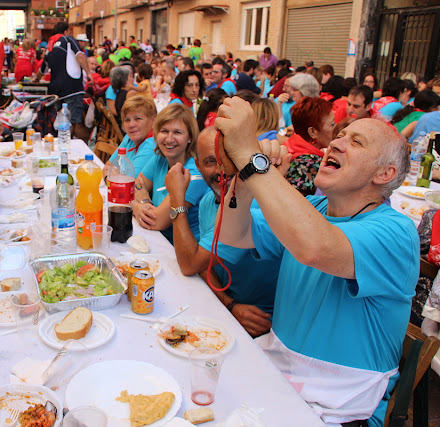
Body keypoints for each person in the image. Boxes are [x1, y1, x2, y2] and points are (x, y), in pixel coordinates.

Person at [214, 97, 417, 426]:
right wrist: (246, 176)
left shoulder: (396, 232)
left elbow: (316, 248)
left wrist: (252, 158)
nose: (337, 142)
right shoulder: (313, 211)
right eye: (340, 135)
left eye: (356, 141)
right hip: (276, 382)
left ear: (385, 173)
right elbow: (232, 234)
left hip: (339, 410)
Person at [164, 126, 278, 336]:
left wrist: (177, 198)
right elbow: (204, 266)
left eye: (228, 159)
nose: (220, 169)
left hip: (264, 325)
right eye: (210, 161)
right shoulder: (209, 200)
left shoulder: (250, 206)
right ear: (197, 165)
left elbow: (190, 263)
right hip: (228, 311)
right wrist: (229, 304)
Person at [132, 103, 210, 243]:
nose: (169, 139)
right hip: (158, 240)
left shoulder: (193, 174)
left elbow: (155, 222)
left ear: (190, 137)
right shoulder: (160, 157)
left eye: (177, 132)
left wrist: (135, 206)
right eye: (164, 131)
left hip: (183, 250)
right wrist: (144, 202)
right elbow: (137, 184)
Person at [44, 22, 91, 140]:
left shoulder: (50, 45)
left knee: (60, 120)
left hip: (55, 89)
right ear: (66, 31)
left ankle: (60, 143)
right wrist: (89, 73)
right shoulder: (68, 39)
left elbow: (43, 68)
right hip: (72, 87)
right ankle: (68, 145)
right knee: (72, 120)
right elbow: (80, 55)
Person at [283, 97, 336, 196]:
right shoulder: (311, 163)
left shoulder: (290, 147)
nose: (336, 128)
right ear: (313, 132)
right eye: (332, 124)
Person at [104, 96, 158, 177]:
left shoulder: (152, 145)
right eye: (127, 120)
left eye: (138, 119)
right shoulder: (129, 138)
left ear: (153, 121)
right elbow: (107, 166)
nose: (131, 125)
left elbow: (128, 182)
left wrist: (108, 178)